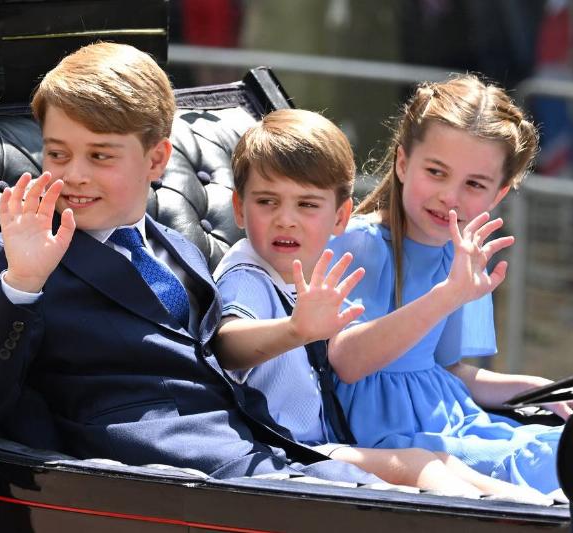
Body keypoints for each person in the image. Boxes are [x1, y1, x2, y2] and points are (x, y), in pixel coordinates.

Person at [0, 42, 380, 484]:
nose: (74, 174)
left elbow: (214, 360)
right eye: (57, 154)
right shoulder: (14, 259)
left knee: (419, 493)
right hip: (157, 471)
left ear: (156, 160)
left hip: (258, 446)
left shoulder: (180, 249)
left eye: (100, 155)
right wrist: (23, 283)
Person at [212, 108, 551, 504]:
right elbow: (226, 344)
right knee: (419, 465)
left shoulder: (304, 271)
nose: (286, 220)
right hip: (289, 448)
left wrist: (537, 390)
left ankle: (542, 509)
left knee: (441, 462)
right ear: (239, 208)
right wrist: (294, 330)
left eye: (306, 205)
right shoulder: (249, 272)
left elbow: (449, 369)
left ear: (338, 216)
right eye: (268, 202)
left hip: (327, 439)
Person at [326, 74, 573, 495]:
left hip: (456, 421)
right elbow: (347, 363)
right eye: (436, 171)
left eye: (474, 184)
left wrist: (536, 389)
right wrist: (447, 295)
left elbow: (451, 372)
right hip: (396, 441)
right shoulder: (357, 243)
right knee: (561, 464)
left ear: (498, 195)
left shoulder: (461, 253)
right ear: (403, 163)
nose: (450, 196)